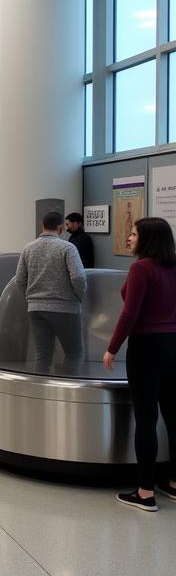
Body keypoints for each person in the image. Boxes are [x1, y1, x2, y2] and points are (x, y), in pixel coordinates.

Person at [103, 218, 176, 512]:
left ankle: (145, 492)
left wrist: (112, 348)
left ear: (147, 239)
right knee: (173, 414)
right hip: (173, 344)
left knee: (146, 418)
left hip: (147, 347)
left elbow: (129, 314)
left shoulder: (141, 268)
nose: (129, 238)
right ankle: (173, 482)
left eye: (133, 234)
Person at [15, 212, 87, 373]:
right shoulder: (68, 248)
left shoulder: (28, 248)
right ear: (60, 228)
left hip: (36, 309)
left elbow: (19, 280)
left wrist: (31, 298)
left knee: (43, 354)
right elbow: (79, 277)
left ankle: (41, 394)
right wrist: (78, 297)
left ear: (43, 226)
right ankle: (69, 393)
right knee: (73, 353)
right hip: (65, 307)